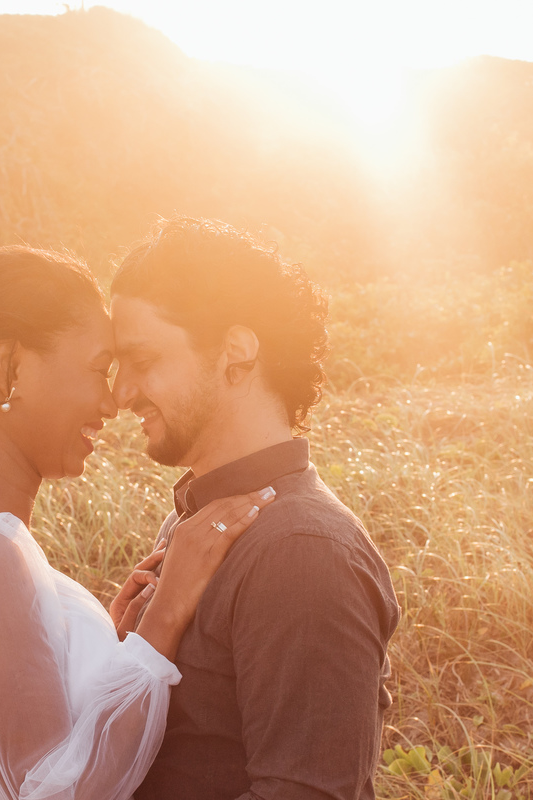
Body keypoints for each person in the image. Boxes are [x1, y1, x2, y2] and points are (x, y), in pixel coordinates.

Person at [0, 245, 277, 800]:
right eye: (100, 369)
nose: (113, 400)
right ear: (11, 366)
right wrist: (164, 618)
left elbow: (0, 751)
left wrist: (104, 650)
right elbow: (54, 792)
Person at [109, 218, 402, 800]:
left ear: (235, 353)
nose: (122, 392)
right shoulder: (196, 519)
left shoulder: (303, 554)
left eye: (142, 360)